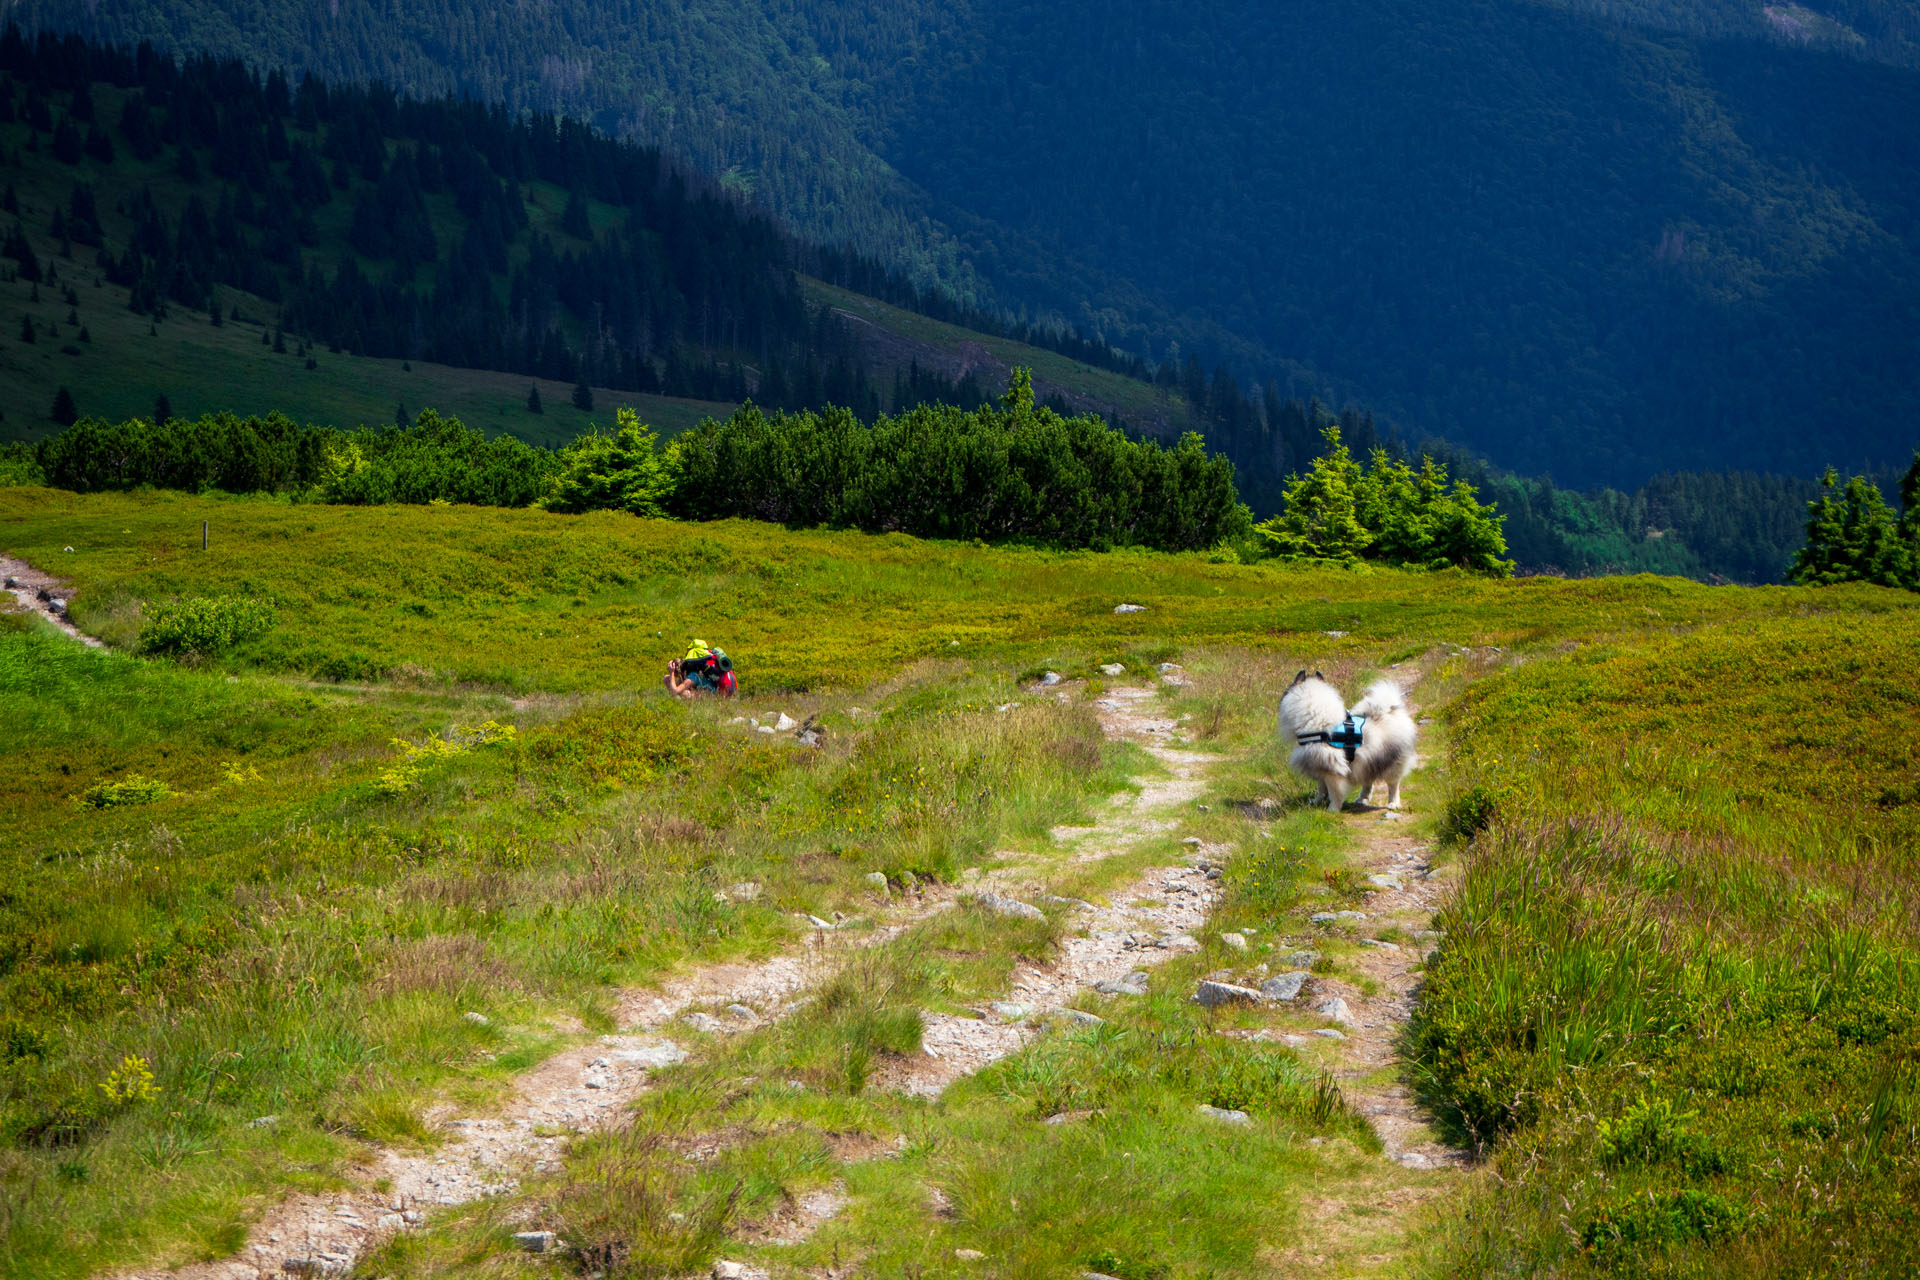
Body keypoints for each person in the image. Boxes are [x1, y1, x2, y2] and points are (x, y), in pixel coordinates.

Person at [665, 639, 736, 700]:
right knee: (667, 679)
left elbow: (675, 691)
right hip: (725, 688)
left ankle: (680, 702)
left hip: (716, 695)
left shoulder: (692, 677)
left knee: (685, 693)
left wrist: (671, 673)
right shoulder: (705, 661)